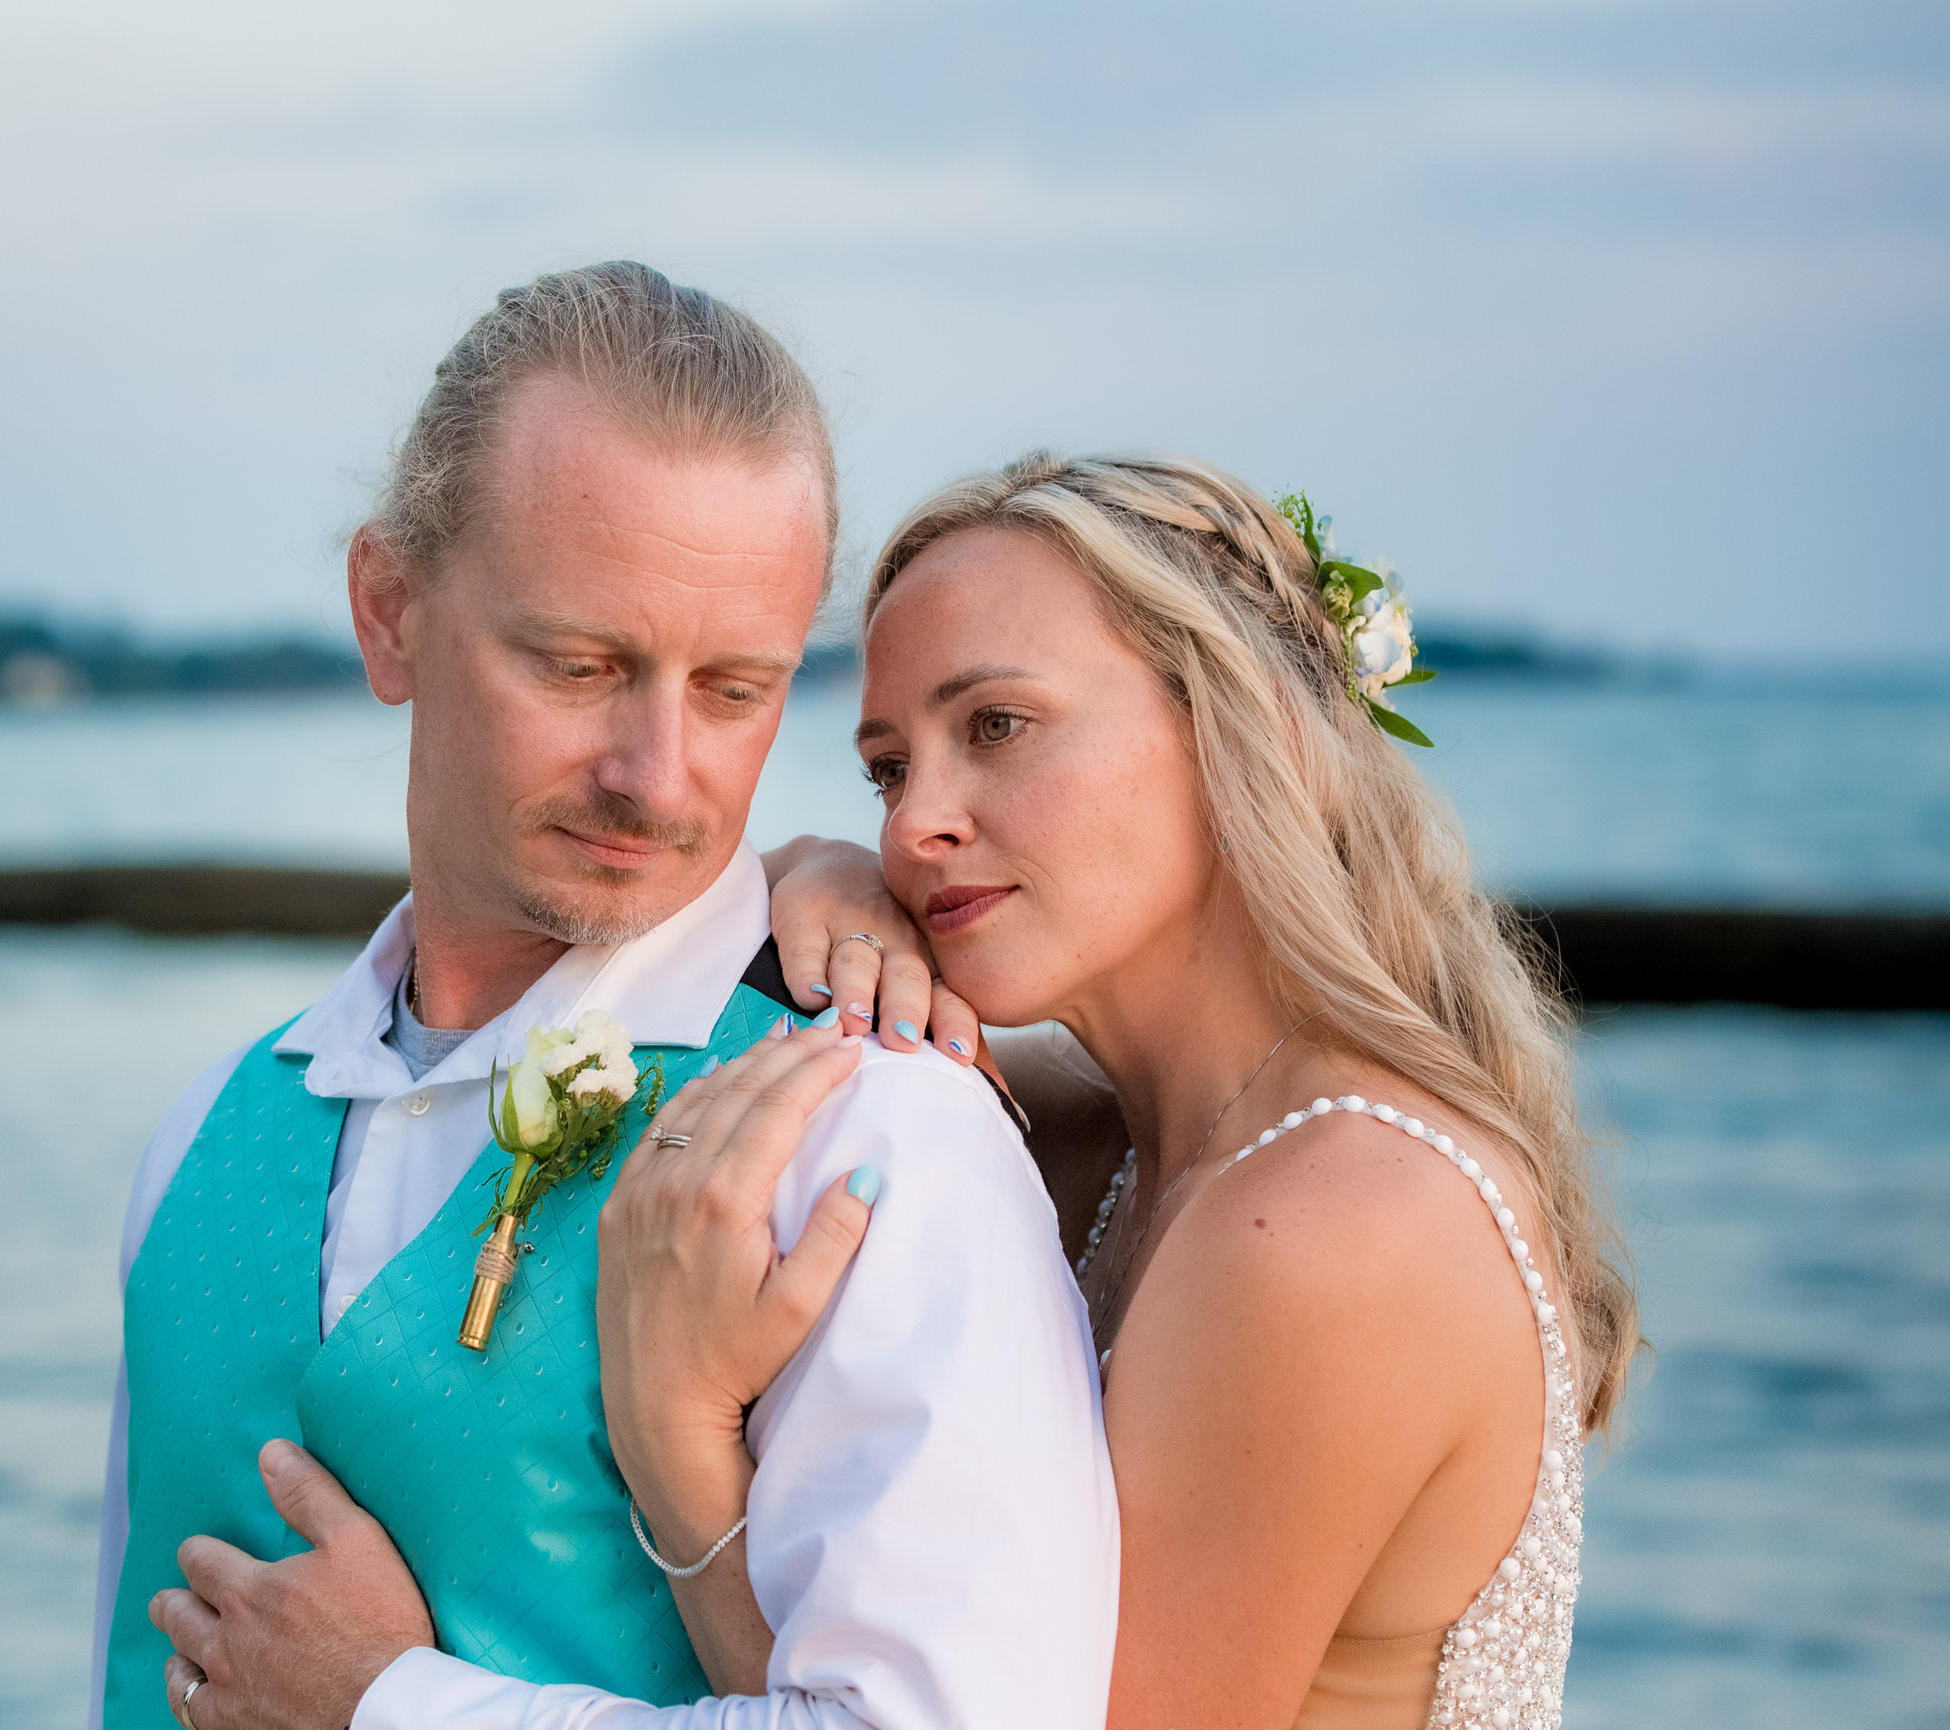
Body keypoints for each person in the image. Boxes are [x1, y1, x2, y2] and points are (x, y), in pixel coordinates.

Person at [97, 265, 1118, 1730]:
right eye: (579, 667)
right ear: (389, 612)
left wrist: (389, 1706)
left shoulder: (875, 1142)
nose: (657, 775)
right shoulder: (199, 1141)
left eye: (734, 690)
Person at [602, 452, 1641, 1727]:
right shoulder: (1083, 1133)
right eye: (887, 768)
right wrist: (815, 874)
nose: (916, 823)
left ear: (1244, 721)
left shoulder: (1341, 1227)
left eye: (996, 726)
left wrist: (679, 1453)